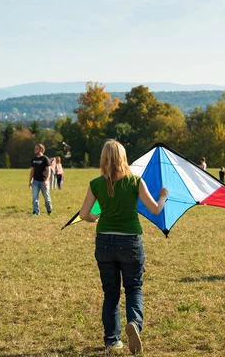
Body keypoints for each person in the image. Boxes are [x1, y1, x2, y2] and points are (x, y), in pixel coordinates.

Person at [79, 140, 169, 354]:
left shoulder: (96, 184)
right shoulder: (135, 182)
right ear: (123, 158)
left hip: (104, 241)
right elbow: (155, 209)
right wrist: (163, 196)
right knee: (134, 288)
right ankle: (134, 324)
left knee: (110, 294)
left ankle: (112, 340)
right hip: (130, 242)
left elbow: (83, 214)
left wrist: (95, 218)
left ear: (104, 159)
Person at [29, 144, 53, 216]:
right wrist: (30, 181)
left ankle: (49, 210)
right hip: (35, 181)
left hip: (43, 181)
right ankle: (36, 212)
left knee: (46, 197)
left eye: (36, 149)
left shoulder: (45, 159)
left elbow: (49, 170)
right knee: (35, 197)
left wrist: (46, 180)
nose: (34, 150)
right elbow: (32, 171)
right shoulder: (33, 160)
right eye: (35, 148)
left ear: (41, 150)